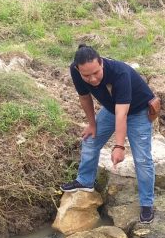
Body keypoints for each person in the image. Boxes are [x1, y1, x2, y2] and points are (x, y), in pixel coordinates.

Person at [61, 44, 159, 224]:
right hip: (112, 108)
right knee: (90, 140)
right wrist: (92, 124)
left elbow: (122, 114)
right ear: (78, 69)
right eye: (86, 75)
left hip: (138, 111)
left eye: (96, 73)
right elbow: (84, 97)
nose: (92, 79)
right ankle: (85, 181)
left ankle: (147, 204)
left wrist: (119, 146)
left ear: (102, 63)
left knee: (142, 159)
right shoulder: (76, 71)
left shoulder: (119, 73)